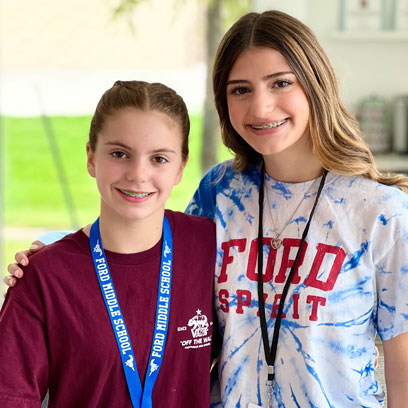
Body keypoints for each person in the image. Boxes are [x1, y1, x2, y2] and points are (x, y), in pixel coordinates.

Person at [5, 10, 408, 408]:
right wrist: (57, 256)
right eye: (240, 89)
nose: (261, 107)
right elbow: (153, 253)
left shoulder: (382, 214)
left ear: (316, 85)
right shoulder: (221, 190)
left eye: (281, 83)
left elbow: (404, 376)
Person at [0, 80, 217, 407]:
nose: (138, 174)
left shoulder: (211, 247)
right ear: (91, 157)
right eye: (119, 154)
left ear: (180, 168)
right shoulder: (43, 276)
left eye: (159, 159)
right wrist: (54, 254)